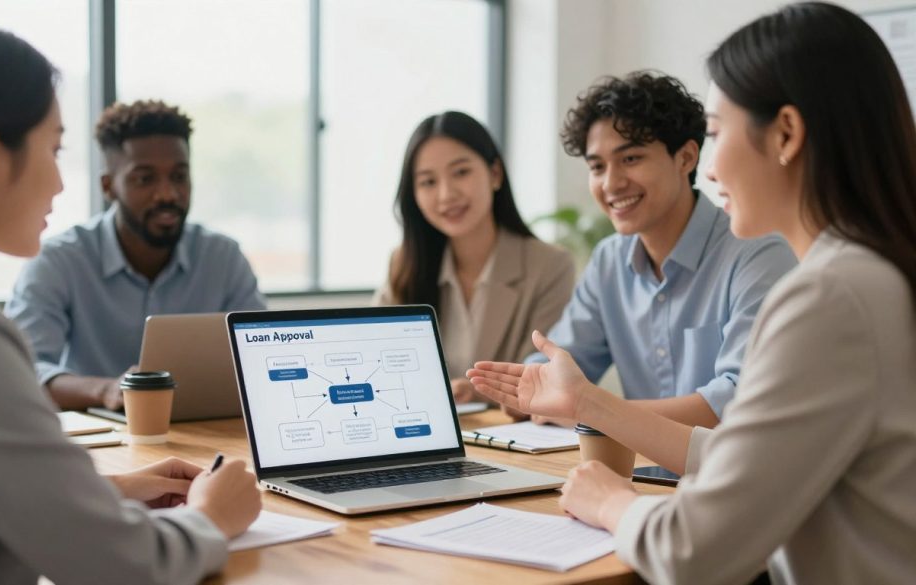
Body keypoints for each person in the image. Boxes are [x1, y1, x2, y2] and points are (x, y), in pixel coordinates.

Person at [469, 3, 916, 583]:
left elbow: (694, 551)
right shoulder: (869, 274)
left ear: (786, 133)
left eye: (715, 131)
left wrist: (609, 502)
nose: (709, 165)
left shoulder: (830, 297)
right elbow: (754, 462)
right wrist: (585, 403)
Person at [0, 17, 261, 584]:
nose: (62, 186)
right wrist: (212, 516)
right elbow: (121, 568)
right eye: (54, 149)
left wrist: (104, 490)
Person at [527, 71, 796, 429]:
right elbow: (558, 366)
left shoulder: (757, 253)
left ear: (685, 158)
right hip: (633, 476)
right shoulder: (610, 259)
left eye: (631, 159)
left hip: (723, 478)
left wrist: (589, 408)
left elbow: (738, 403)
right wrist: (525, 386)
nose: (612, 183)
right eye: (597, 167)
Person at [5, 99, 266, 411]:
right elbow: (21, 372)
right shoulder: (59, 261)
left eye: (179, 176)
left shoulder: (223, 258)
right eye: (145, 179)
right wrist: (106, 390)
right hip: (104, 439)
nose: (168, 193)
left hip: (206, 434)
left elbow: (263, 358)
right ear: (109, 186)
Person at [374, 111, 574, 405]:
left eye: (461, 172)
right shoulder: (403, 263)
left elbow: (545, 376)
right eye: (428, 182)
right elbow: (377, 362)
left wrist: (477, 392)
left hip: (505, 438)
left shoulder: (549, 266)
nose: (446, 195)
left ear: (495, 174)